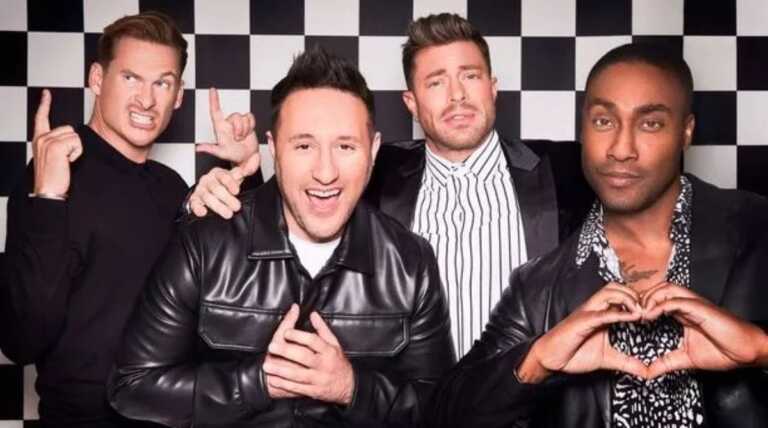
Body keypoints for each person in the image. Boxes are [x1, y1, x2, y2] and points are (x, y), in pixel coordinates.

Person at [187, 13, 593, 356]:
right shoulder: (372, 170)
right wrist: (243, 176)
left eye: (470, 76)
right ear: (411, 102)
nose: (456, 95)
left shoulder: (566, 171)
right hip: (408, 404)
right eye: (436, 82)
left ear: (493, 87)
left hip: (529, 405)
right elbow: (295, 215)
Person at [107, 47, 454, 427]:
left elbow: (440, 409)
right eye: (304, 146)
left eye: (345, 146)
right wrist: (258, 382)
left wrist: (351, 388)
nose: (325, 172)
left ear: (372, 151)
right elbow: (132, 386)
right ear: (274, 149)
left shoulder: (410, 262)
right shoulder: (204, 243)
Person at [427, 43, 768, 428]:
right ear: (583, 128)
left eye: (650, 123)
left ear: (685, 132)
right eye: (604, 121)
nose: (621, 149)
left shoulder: (757, 229)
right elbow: (444, 414)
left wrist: (760, 348)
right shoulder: (539, 288)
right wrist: (537, 362)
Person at [0, 12, 258, 427]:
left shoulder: (171, 188)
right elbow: (21, 341)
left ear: (178, 96)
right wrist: (47, 197)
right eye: (131, 78)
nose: (146, 100)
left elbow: (237, 294)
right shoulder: (53, 170)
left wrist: (246, 174)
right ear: (97, 79)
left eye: (162, 83)